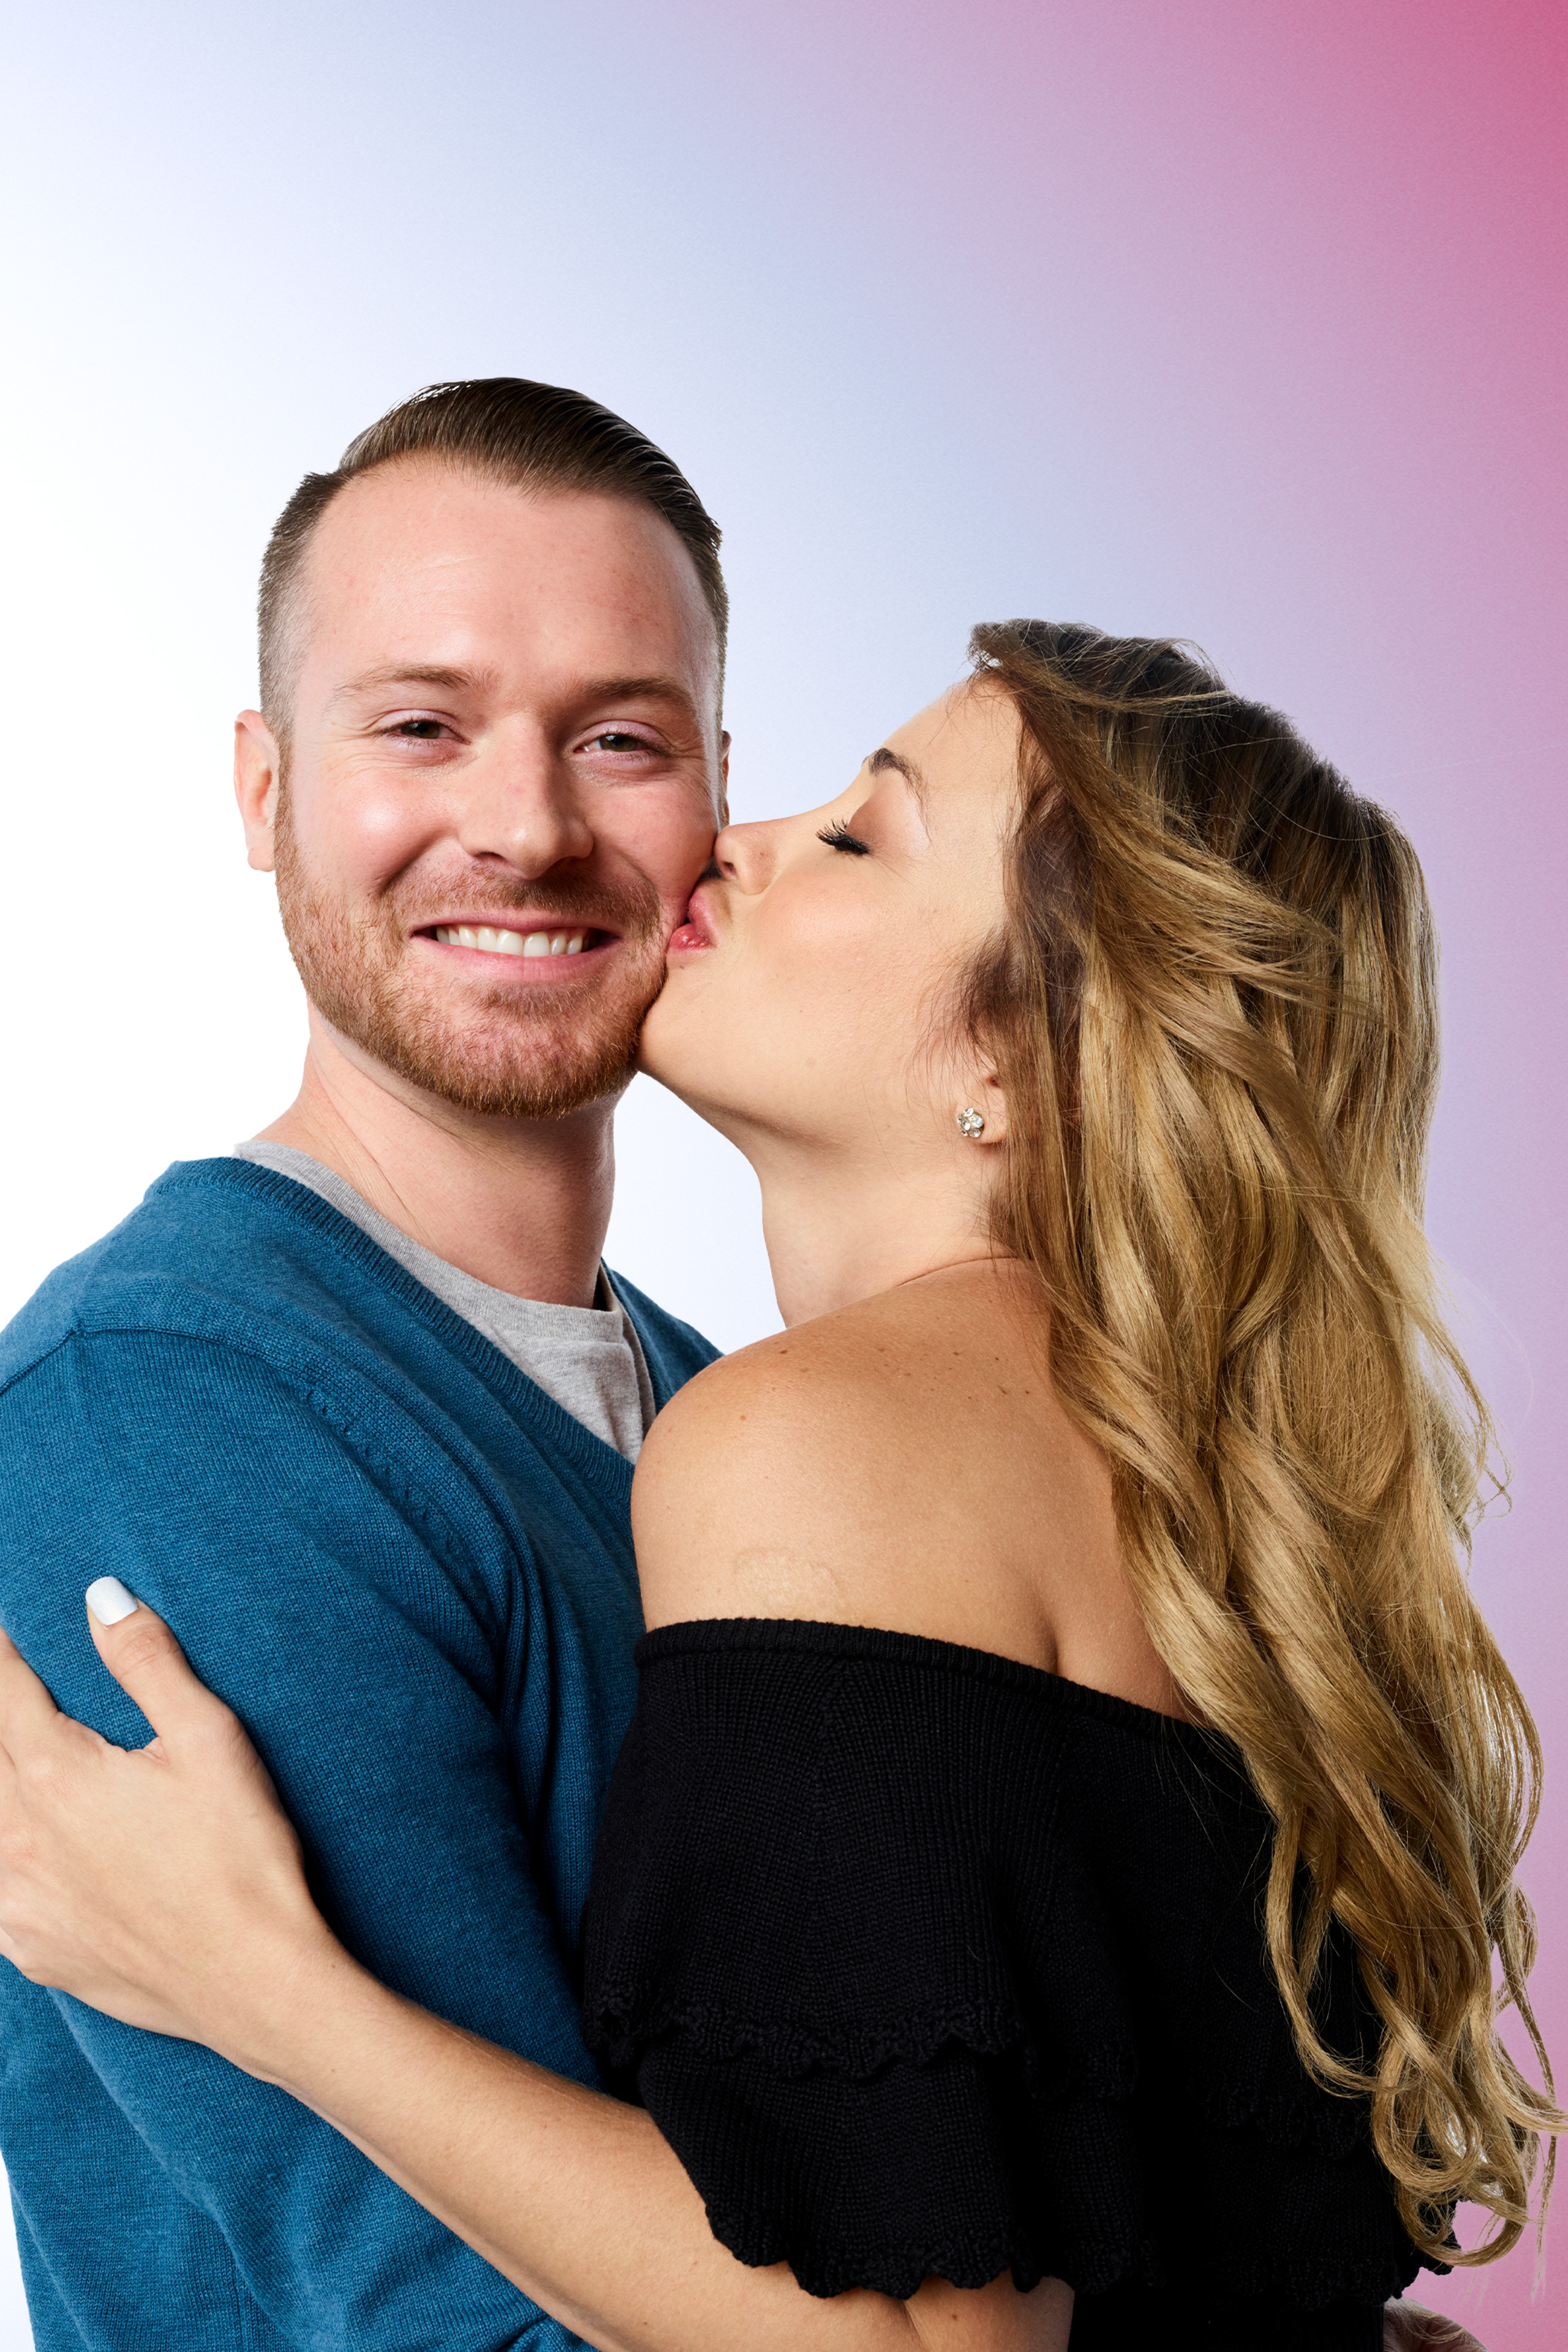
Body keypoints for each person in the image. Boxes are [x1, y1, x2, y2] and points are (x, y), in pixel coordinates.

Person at [0, 624, 1552, 2352]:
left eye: (859, 837)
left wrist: (261, 1986)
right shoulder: (1192, 1501)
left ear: (1016, 1057)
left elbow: (904, 2345)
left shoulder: (810, 1442)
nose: (733, 845)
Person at [0, 375, 734, 2352]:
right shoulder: (163, 1406)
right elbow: (468, 2326)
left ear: (716, 802)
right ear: (263, 793)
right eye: (422, 726)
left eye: (620, 738)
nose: (529, 826)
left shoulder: (727, 1416)